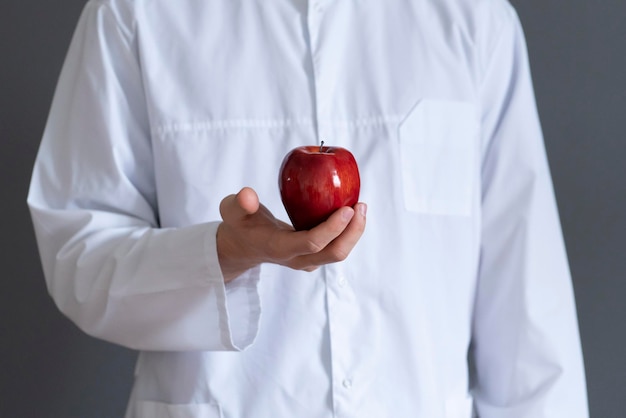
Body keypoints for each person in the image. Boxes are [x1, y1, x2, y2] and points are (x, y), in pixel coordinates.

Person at [27, 0, 589, 416]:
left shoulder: (475, 20)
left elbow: (529, 306)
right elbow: (79, 254)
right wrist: (222, 255)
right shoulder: (134, 14)